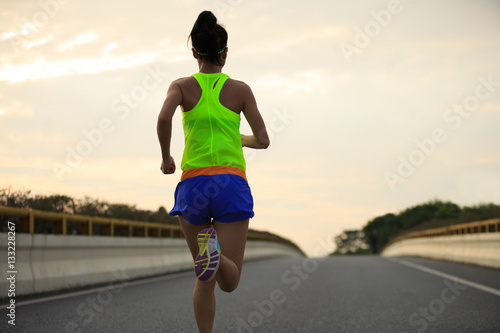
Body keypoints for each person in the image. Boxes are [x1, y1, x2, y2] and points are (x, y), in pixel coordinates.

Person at [156, 10, 270, 333]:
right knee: (229, 282)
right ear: (225, 53)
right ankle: (215, 254)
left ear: (194, 52)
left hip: (192, 184)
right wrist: (240, 139)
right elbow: (263, 140)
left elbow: (163, 118)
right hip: (230, 183)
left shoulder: (180, 86)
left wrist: (166, 158)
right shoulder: (240, 90)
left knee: (203, 275)